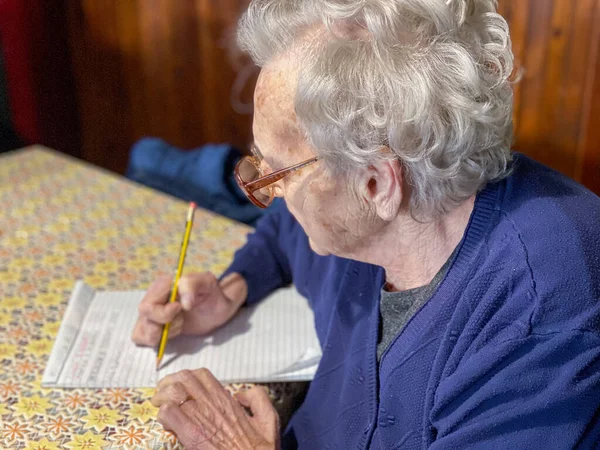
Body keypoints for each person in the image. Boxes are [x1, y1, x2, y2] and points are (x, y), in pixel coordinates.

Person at [132, 0, 600, 448]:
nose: (268, 193)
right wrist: (232, 288)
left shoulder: (540, 322)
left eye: (275, 173)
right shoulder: (379, 224)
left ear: (376, 184)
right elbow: (284, 231)